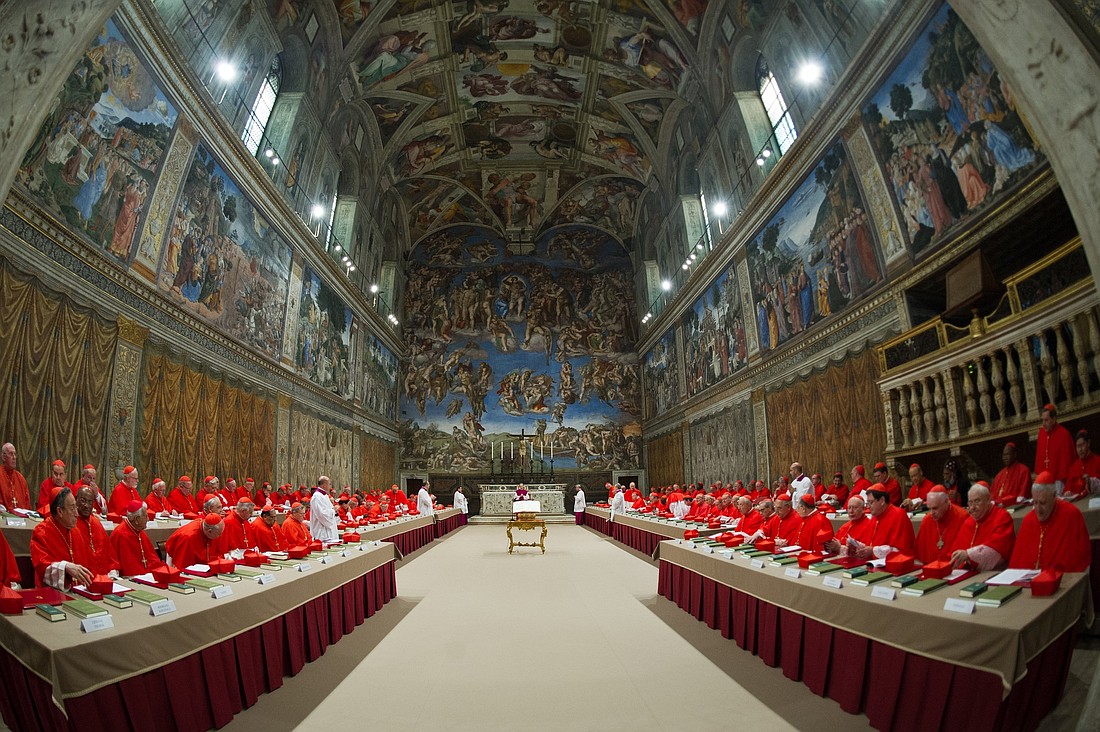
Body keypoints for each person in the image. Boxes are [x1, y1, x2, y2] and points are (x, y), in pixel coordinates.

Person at [1008, 471, 1091, 572]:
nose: (1038, 509)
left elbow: (1079, 561)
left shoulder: (1071, 515)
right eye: (1035, 502)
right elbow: (1016, 565)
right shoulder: (1028, 520)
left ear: (1054, 496)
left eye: (1042, 503)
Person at [30, 487, 94, 589]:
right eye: (72, 509)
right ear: (59, 511)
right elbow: (42, 569)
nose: (76, 514)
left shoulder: (75, 531)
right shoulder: (41, 532)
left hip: (79, 590)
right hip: (52, 593)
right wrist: (65, 567)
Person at [949, 483, 1016, 571]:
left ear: (988, 500)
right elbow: (955, 552)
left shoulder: (1002, 517)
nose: (972, 507)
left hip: (995, 572)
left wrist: (969, 555)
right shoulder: (968, 522)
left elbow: (997, 552)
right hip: (968, 573)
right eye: (970, 502)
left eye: (977, 501)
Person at [853, 484, 916, 559]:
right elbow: (869, 544)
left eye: (871, 502)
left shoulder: (898, 515)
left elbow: (900, 550)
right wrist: (858, 547)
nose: (868, 506)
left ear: (882, 500)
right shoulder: (875, 517)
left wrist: (873, 551)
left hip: (894, 565)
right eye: (867, 503)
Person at [109, 500, 166, 576]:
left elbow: (153, 559)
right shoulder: (119, 534)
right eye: (145, 516)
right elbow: (113, 564)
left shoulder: (139, 531)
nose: (148, 519)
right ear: (136, 519)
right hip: (130, 578)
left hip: (147, 576)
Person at [914, 488, 968, 564]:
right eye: (929, 508)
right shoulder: (927, 520)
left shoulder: (962, 517)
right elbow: (920, 556)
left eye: (935, 508)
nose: (932, 513)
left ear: (946, 502)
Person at [74, 485, 114, 575]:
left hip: (102, 576)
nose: (86, 506)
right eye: (83, 501)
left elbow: (109, 551)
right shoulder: (71, 524)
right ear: (76, 500)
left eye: (90, 502)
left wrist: (112, 569)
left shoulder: (96, 523)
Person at [1036, 404, 1075, 492]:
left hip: (1059, 481)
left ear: (1053, 419)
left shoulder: (1064, 434)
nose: (1043, 424)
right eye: (1042, 420)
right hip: (1045, 482)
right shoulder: (1041, 434)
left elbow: (1068, 463)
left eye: (1046, 420)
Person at [1065, 429, 1100, 498]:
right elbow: (1067, 489)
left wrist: (1091, 482)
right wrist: (1068, 492)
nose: (1080, 450)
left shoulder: (1098, 461)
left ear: (1088, 443)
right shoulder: (1073, 467)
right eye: (1078, 446)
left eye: (1082, 445)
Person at [0, 442, 31, 511]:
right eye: (11, 454)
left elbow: (27, 505)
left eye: (15, 454)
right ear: (3, 457)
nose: (14, 457)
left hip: (21, 519)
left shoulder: (21, 478)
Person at [310, 476, 339, 541]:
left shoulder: (324, 495)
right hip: (322, 531)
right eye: (329, 484)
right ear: (324, 485)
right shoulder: (317, 496)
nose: (330, 486)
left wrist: (333, 510)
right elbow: (322, 514)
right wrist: (333, 511)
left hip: (327, 529)